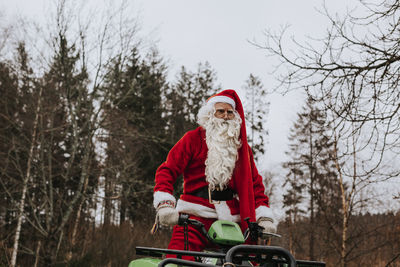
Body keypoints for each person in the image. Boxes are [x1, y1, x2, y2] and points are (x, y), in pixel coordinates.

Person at [152, 89, 276, 260]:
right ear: (210, 114)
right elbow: (167, 170)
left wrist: (264, 218)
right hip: (194, 217)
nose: (225, 116)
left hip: (233, 221)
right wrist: (165, 205)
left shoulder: (242, 148)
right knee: (178, 259)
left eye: (230, 112)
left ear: (235, 116)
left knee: (245, 262)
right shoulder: (192, 139)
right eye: (220, 111)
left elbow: (254, 185)